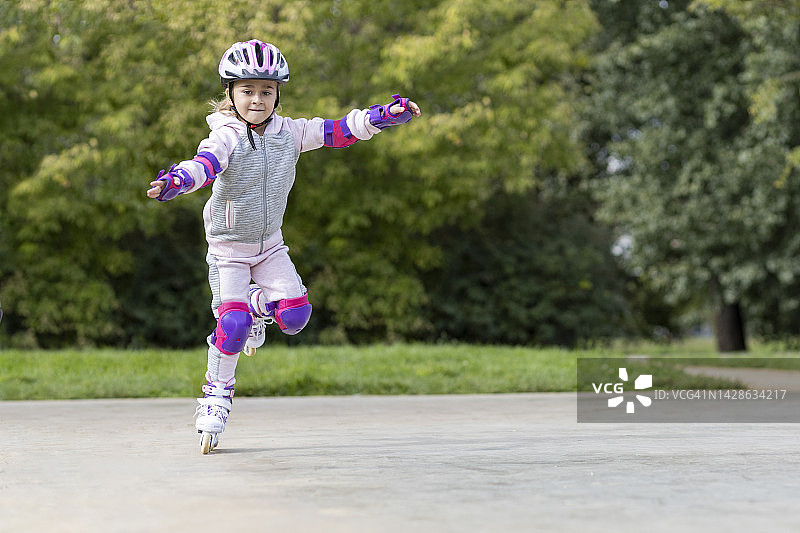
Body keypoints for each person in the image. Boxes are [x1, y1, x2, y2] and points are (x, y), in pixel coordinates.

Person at [146, 39, 421, 453]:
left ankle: (258, 306)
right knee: (233, 327)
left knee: (296, 316)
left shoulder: (289, 132)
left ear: (278, 94)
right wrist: (179, 181)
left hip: (270, 246)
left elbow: (338, 131)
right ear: (230, 94)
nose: (257, 99)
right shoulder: (226, 136)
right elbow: (205, 163)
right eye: (247, 91)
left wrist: (382, 117)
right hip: (228, 251)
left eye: (266, 91)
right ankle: (216, 396)